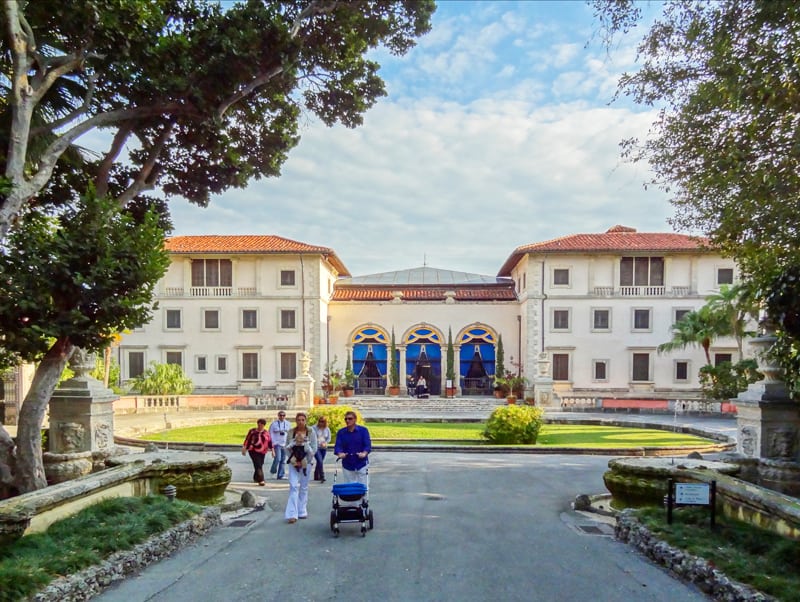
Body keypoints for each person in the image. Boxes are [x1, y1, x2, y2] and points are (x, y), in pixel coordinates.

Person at [283, 412, 317, 524]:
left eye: (303, 420)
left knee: (303, 486)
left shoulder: (311, 432)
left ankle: (302, 510)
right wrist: (293, 460)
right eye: (298, 420)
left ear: (305, 420)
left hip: (306, 462)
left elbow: (314, 448)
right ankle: (292, 513)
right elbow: (286, 447)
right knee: (293, 486)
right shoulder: (291, 432)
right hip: (293, 462)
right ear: (296, 421)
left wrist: (306, 461)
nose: (301, 422)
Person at [334, 411, 371, 488]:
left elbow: (367, 445)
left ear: (355, 419)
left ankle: (363, 499)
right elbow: (338, 446)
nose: (347, 421)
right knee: (350, 488)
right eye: (346, 419)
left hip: (361, 463)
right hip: (348, 464)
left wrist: (364, 453)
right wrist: (340, 453)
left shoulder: (363, 431)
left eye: (350, 419)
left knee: (363, 487)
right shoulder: (341, 432)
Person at [241, 418, 272, 486]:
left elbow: (269, 442)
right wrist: (244, 448)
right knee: (258, 464)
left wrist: (273, 450)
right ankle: (261, 480)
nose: (259, 426)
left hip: (263, 451)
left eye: (261, 425)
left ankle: (256, 477)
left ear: (264, 425)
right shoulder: (252, 431)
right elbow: (247, 439)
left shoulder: (266, 433)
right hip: (253, 450)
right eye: (258, 424)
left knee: (260, 464)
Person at [269, 410, 291, 480]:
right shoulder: (274, 424)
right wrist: (272, 443)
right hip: (277, 443)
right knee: (277, 459)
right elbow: (270, 433)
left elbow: (290, 433)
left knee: (283, 460)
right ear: (278, 416)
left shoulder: (288, 423)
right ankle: (273, 471)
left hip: (285, 443)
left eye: (283, 415)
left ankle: (280, 475)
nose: (282, 417)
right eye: (280, 415)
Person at [312, 416, 331, 482]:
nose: (321, 423)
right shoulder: (314, 428)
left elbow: (329, 438)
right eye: (320, 421)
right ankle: (322, 476)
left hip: (323, 447)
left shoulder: (327, 429)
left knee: (320, 462)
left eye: (322, 422)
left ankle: (316, 475)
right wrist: (318, 442)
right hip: (316, 447)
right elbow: (312, 438)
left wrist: (325, 443)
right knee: (320, 461)